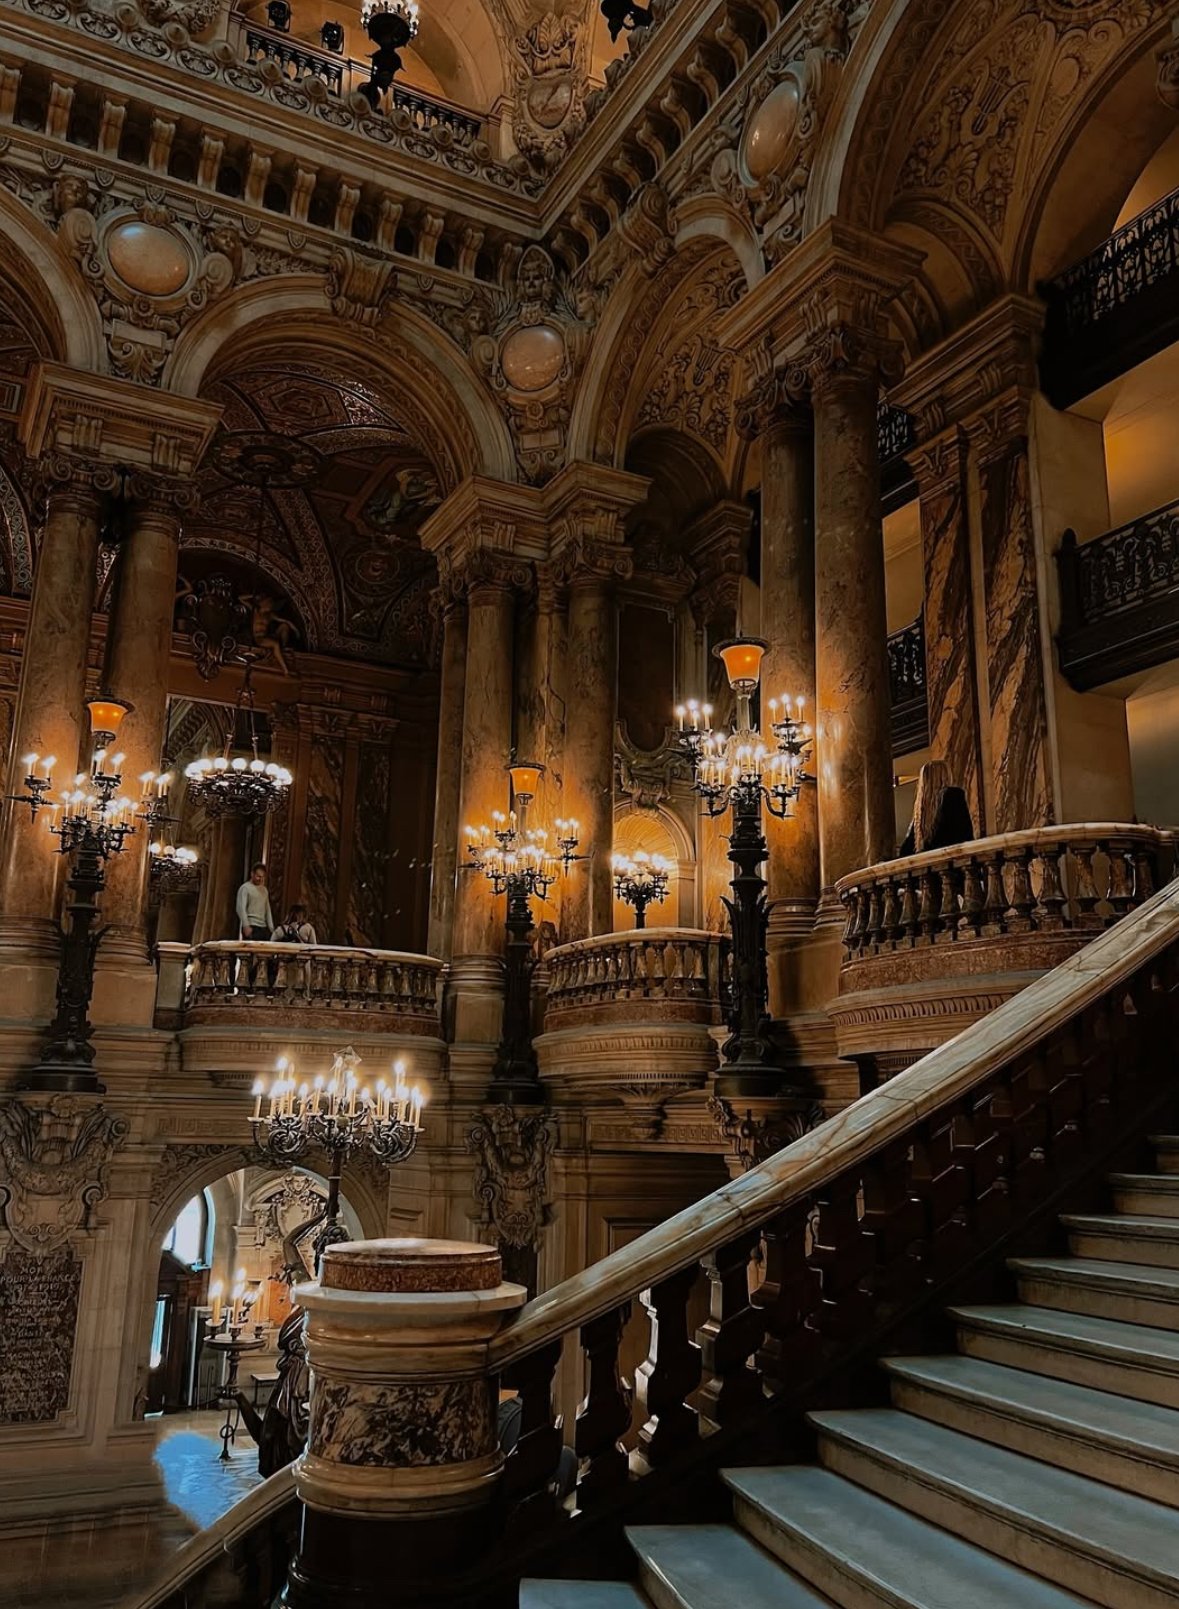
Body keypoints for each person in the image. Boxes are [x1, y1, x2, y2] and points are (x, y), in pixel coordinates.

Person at [899, 759, 975, 856]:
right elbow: (965, 833)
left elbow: (906, 850)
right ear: (945, 776)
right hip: (952, 860)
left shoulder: (921, 812)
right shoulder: (953, 795)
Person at [235, 863, 274, 992]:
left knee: (266, 957)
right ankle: (246, 985)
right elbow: (241, 908)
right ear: (252, 874)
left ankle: (261, 984)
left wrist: (271, 928)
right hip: (251, 926)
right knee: (250, 957)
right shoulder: (245, 888)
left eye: (262, 877)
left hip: (263, 927)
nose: (260, 879)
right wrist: (246, 925)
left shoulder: (264, 890)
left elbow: (267, 910)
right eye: (258, 876)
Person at [268, 903, 317, 993]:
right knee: (302, 993)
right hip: (303, 966)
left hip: (284, 965)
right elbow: (314, 948)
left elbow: (271, 945)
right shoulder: (308, 928)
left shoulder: (280, 929)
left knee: (283, 992)